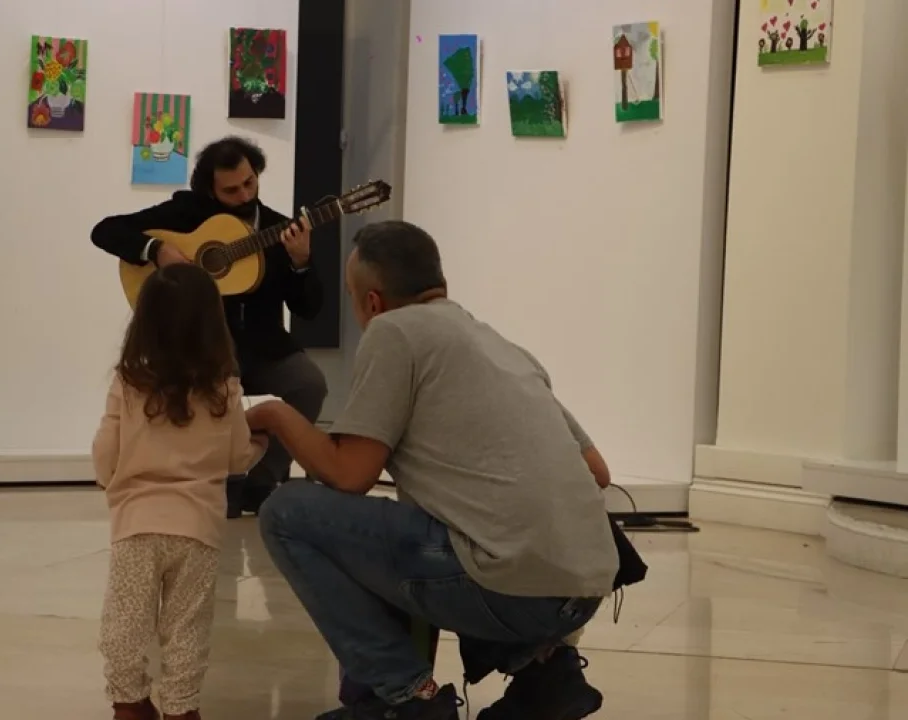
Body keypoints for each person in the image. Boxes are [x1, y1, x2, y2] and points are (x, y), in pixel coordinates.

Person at [245, 220, 619, 720]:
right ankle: (549, 676)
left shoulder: (393, 332)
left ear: (372, 302)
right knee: (447, 525)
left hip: (512, 589)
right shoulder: (499, 344)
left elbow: (349, 474)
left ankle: (405, 696)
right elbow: (596, 471)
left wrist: (274, 413)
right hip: (584, 589)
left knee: (288, 512)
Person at [91, 136, 328, 518]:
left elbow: (309, 309)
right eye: (231, 190)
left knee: (310, 384)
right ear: (210, 189)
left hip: (266, 346)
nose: (244, 195)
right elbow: (105, 230)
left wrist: (301, 263)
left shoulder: (279, 228)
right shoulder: (186, 215)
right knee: (220, 376)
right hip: (203, 347)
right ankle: (223, 481)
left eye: (249, 183)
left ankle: (262, 479)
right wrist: (157, 250)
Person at [92, 263, 268, 720]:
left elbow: (105, 454)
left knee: (125, 622)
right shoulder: (224, 389)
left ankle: (129, 705)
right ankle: (181, 710)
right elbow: (237, 458)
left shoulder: (128, 383)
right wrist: (262, 443)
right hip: (198, 530)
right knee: (187, 626)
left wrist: (116, 483)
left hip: (135, 526)